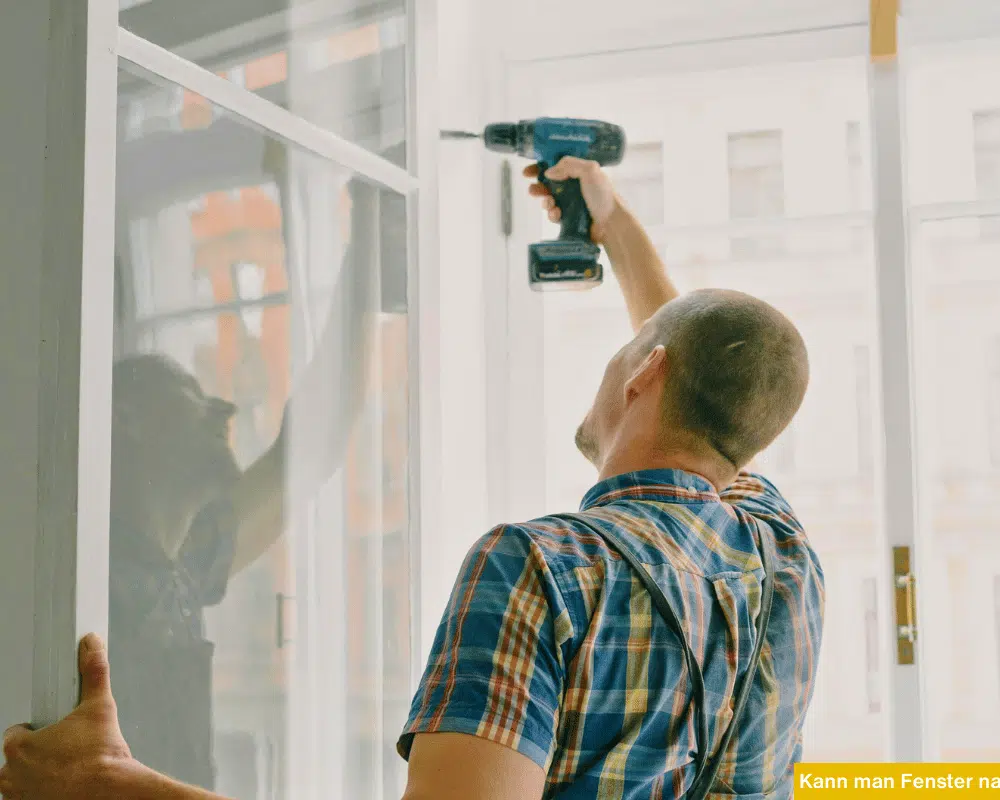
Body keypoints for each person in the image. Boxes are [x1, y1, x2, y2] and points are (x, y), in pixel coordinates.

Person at [1, 156, 824, 800]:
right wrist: (610, 228)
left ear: (643, 374)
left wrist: (111, 789)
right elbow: (715, 396)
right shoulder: (780, 556)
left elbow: (697, 376)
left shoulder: (543, 569)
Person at [103, 140, 381, 789]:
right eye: (190, 392)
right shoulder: (94, 580)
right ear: (128, 418)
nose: (223, 406)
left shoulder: (181, 563)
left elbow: (309, 447)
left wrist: (367, 237)